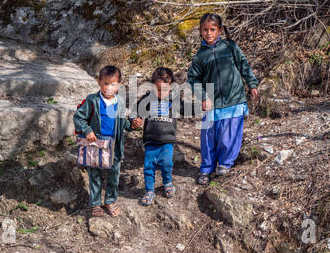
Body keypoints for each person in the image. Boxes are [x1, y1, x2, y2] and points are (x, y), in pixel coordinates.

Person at [187, 13, 259, 185]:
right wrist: (203, 97)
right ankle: (206, 169)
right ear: (200, 31)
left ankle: (225, 165)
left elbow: (243, 65)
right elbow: (193, 79)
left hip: (234, 99)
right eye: (205, 30)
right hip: (211, 103)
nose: (209, 33)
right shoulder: (200, 56)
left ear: (219, 30)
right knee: (208, 137)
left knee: (230, 135)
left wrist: (252, 84)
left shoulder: (230, 47)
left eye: (213, 29)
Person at [73, 65, 133, 217]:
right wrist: (87, 131)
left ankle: (110, 200)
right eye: (106, 83)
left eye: (113, 84)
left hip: (114, 144)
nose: (109, 88)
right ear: (99, 82)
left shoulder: (118, 102)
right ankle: (95, 203)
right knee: (95, 174)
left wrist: (132, 125)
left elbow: (122, 123)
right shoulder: (92, 101)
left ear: (119, 85)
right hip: (96, 144)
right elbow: (78, 117)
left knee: (114, 173)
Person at [130, 67, 194, 206]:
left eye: (165, 90)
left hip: (167, 141)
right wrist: (135, 119)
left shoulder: (174, 99)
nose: (162, 93)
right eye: (158, 90)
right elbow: (135, 111)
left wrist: (200, 106)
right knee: (148, 166)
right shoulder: (148, 98)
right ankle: (149, 190)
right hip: (150, 141)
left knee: (166, 164)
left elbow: (187, 109)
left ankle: (167, 182)